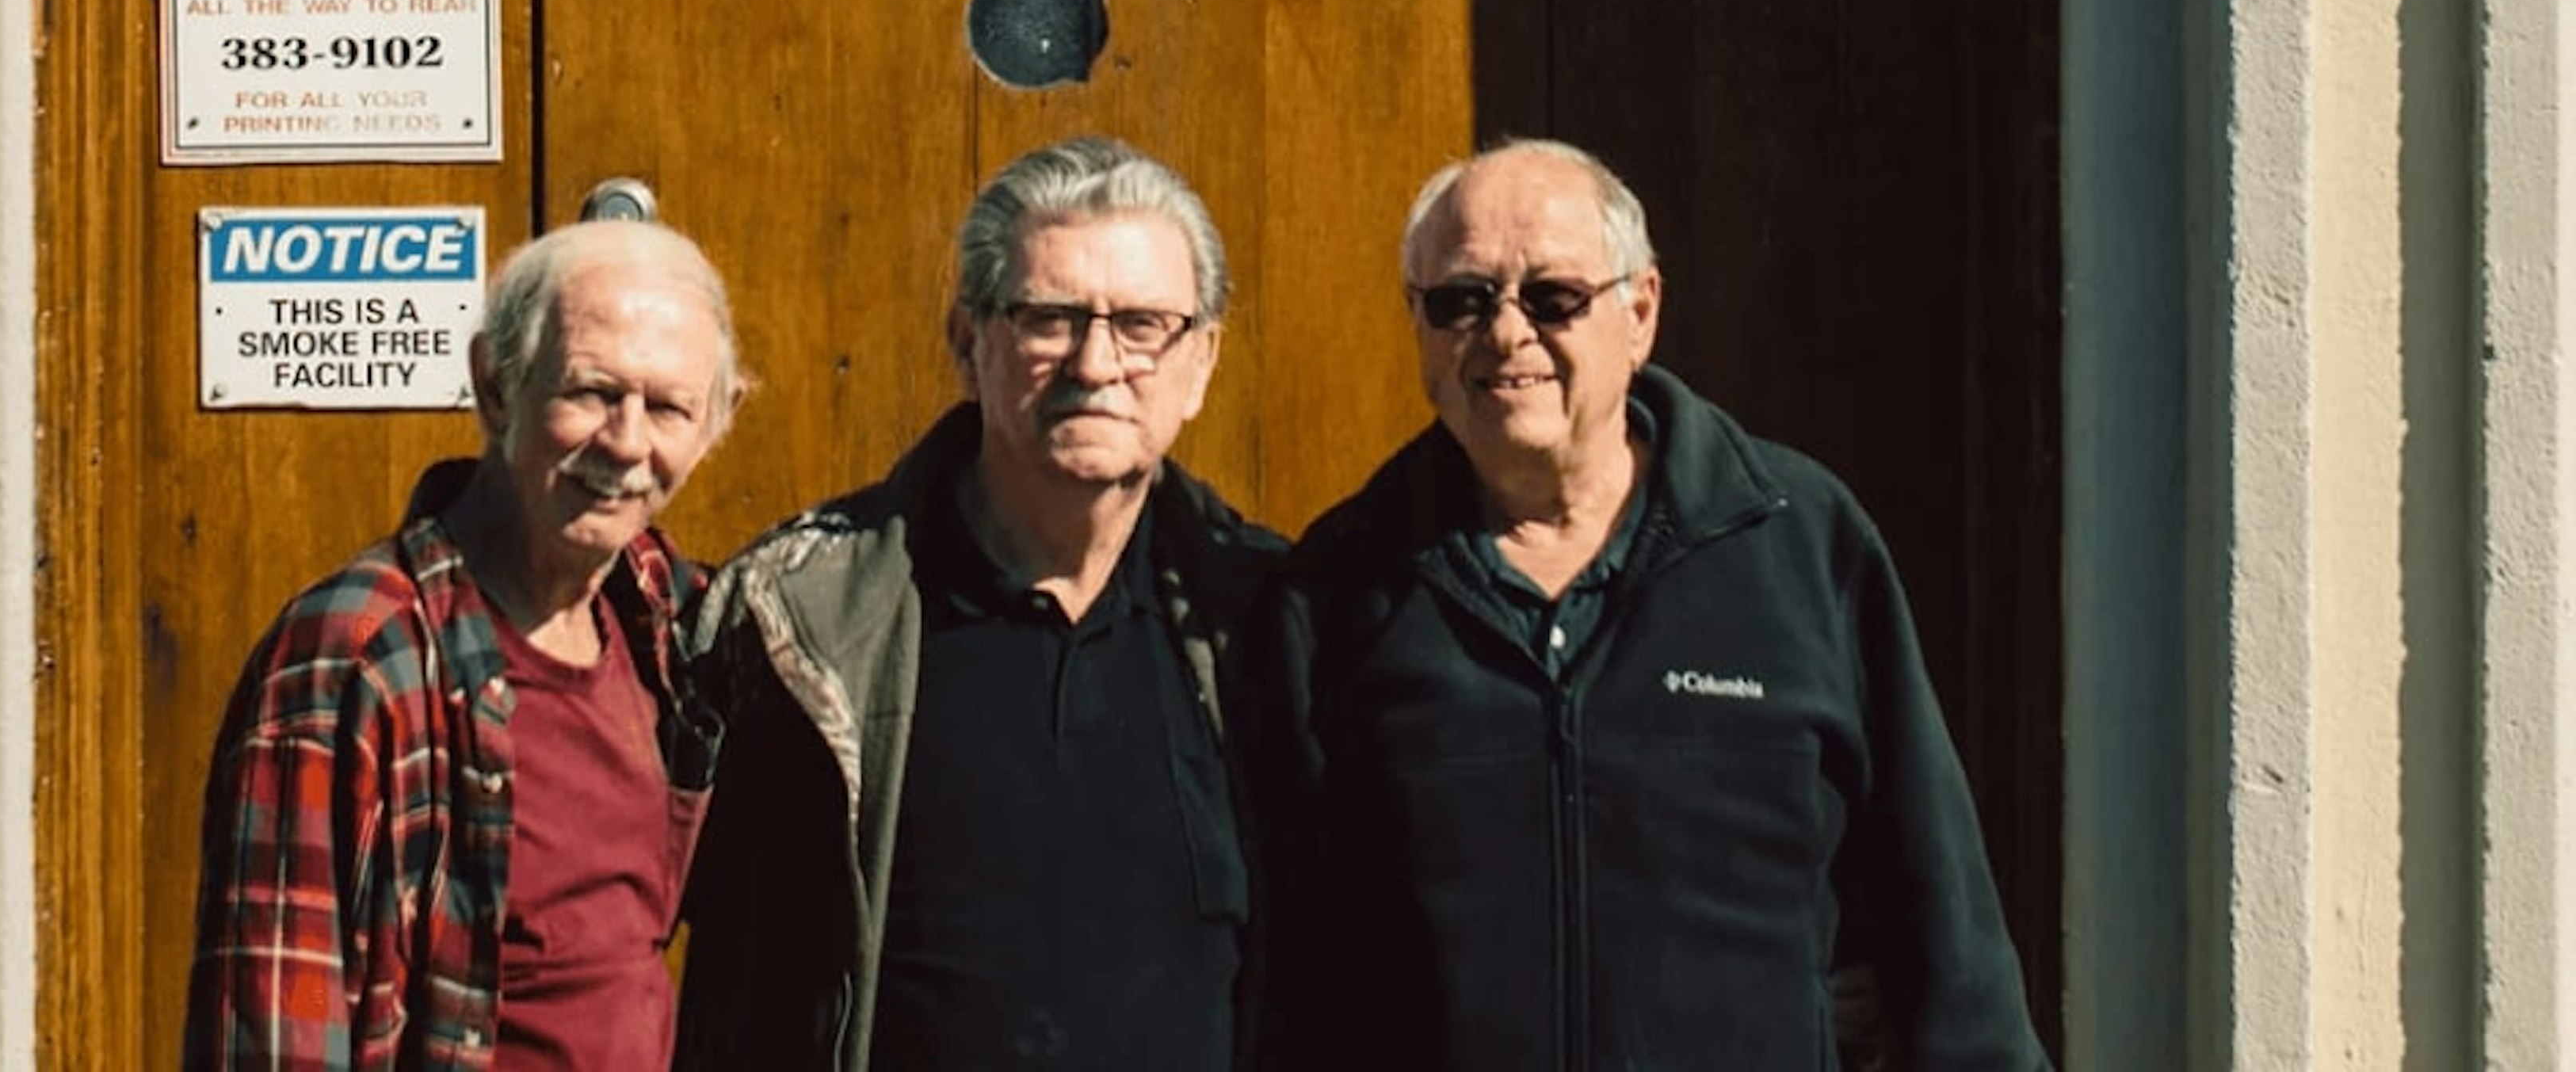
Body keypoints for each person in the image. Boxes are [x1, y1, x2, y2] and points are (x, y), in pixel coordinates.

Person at [1266, 139, 2048, 1072]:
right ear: (1418, 323)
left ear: (1639, 313)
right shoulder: (1341, 588)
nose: (1506, 334)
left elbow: (1945, 930)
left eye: (1554, 298)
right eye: (1461, 300)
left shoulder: (1798, 545)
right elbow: (1289, 967)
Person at [674, 135, 1282, 1072]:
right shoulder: (808, 618)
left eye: (1143, 325)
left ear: (1200, 361)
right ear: (968, 342)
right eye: (1049, 318)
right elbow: (729, 993)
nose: (1095, 361)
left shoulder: (1268, 622)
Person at [184, 216, 741, 1071]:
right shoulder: (356, 657)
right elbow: (273, 1030)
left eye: (668, 407)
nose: (628, 444)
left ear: (717, 424)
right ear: (494, 386)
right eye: (590, 393)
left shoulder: (671, 628)